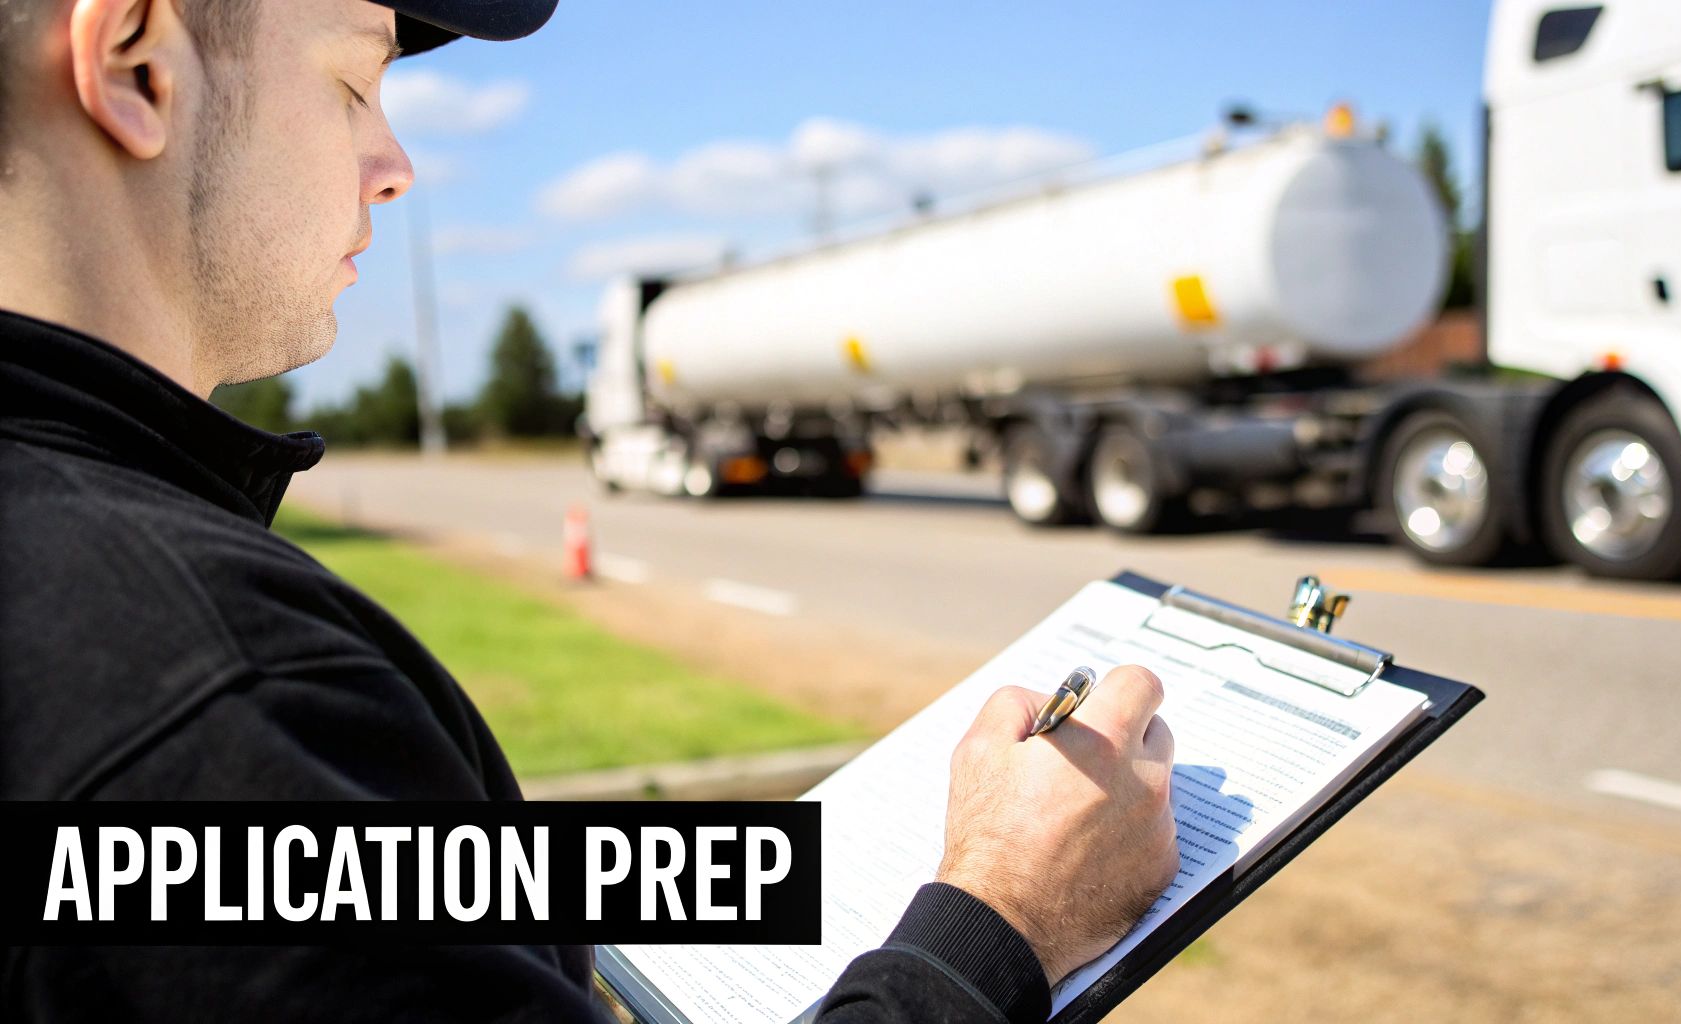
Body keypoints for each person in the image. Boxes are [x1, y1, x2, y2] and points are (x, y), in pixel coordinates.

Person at [0, 1, 1179, 1021]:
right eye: (354, 82)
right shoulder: (225, 696)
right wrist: (1000, 917)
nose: (392, 162)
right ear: (135, 64)